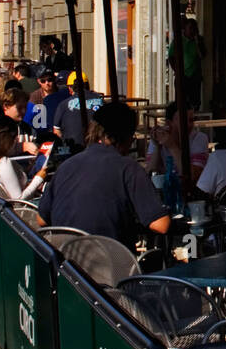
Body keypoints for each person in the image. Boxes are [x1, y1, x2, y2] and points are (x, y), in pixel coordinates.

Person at [36, 101, 172, 248]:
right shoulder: (128, 168)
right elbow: (161, 224)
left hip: (66, 263)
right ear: (126, 136)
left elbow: (41, 219)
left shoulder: (66, 166)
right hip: (110, 264)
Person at [0, 116, 45, 201]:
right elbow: (18, 199)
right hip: (21, 210)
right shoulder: (3, 163)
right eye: (14, 139)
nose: (15, 142)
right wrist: (39, 178)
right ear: (5, 140)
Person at [147, 101, 210, 184]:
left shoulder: (199, 138)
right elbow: (149, 172)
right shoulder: (160, 136)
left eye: (191, 120)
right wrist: (158, 148)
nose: (188, 124)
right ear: (169, 123)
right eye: (183, 120)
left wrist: (172, 146)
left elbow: (193, 176)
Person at [167, 18, 206, 111]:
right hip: (182, 75)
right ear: (185, 29)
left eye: (194, 29)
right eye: (190, 28)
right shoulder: (178, 41)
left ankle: (193, 118)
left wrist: (197, 42)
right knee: (181, 101)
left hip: (194, 75)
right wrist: (177, 70)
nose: (192, 31)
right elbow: (171, 56)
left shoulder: (199, 40)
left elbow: (202, 56)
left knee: (195, 101)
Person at [53, 71, 104, 142]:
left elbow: (56, 131)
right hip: (96, 148)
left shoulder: (63, 105)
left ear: (70, 88)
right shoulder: (101, 101)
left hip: (73, 149)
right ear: (87, 85)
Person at [27, 69, 69, 139]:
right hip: (42, 127)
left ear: (54, 80)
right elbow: (32, 117)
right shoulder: (34, 96)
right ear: (39, 82)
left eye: (50, 80)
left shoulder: (61, 93)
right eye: (43, 81)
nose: (47, 83)